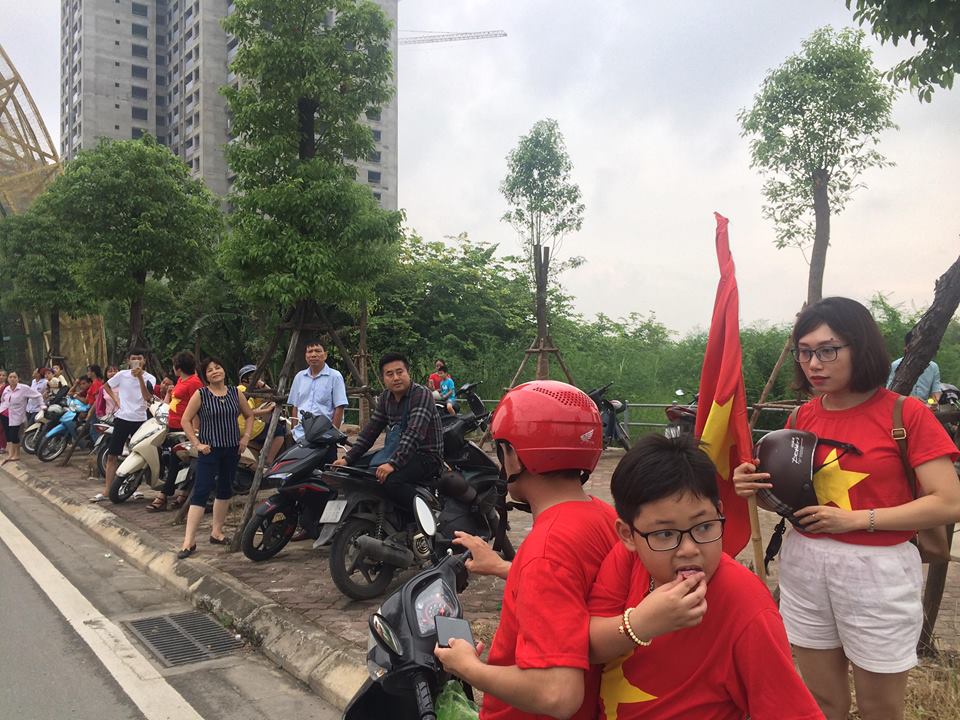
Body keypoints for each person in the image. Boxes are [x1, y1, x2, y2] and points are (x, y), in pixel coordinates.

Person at [734, 297, 960, 720]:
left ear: (860, 347)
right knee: (821, 703)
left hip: (878, 572)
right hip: (805, 565)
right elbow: (787, 497)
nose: (814, 363)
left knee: (880, 708)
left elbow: (950, 502)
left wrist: (859, 520)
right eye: (805, 352)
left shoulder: (904, 413)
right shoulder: (801, 416)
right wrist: (753, 487)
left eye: (828, 350)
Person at [587, 433, 823, 720]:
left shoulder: (747, 607)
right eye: (665, 534)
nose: (689, 549)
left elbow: (791, 711)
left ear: (720, 513)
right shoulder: (628, 561)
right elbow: (587, 648)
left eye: (704, 527)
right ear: (628, 535)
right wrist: (640, 624)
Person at [434, 380, 619, 720]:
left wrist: (468, 667)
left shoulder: (546, 549)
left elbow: (557, 694)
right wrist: (504, 567)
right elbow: (572, 590)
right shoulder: (603, 516)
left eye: (500, 449)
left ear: (514, 455)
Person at [332, 353, 442, 513]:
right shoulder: (385, 398)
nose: (396, 377)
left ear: (408, 373)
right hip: (398, 452)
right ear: (383, 378)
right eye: (389, 374)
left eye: (400, 372)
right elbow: (371, 431)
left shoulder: (421, 394)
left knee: (391, 481)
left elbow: (414, 434)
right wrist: (348, 458)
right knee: (351, 472)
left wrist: (393, 464)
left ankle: (427, 515)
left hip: (426, 456)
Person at [176, 357, 253, 559]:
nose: (215, 371)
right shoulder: (201, 394)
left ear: (224, 370)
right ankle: (188, 541)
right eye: (210, 370)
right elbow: (185, 419)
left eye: (218, 367)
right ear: (205, 376)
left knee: (225, 489)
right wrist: (196, 443)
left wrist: (245, 437)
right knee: (201, 491)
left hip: (232, 449)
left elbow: (249, 415)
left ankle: (217, 532)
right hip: (209, 450)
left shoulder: (236, 393)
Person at [95, 348, 157, 503]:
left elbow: (148, 398)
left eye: (139, 358)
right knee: (112, 455)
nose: (136, 361)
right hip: (122, 418)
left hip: (141, 420)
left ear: (144, 361)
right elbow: (106, 386)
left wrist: (140, 378)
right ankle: (107, 489)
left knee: (137, 455)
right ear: (129, 361)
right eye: (133, 358)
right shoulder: (121, 375)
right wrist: (116, 400)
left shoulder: (150, 378)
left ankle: (133, 489)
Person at [147, 351, 203, 512]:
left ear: (178, 368)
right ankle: (181, 493)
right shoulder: (181, 380)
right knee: (175, 462)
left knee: (176, 461)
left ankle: (164, 495)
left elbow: (197, 408)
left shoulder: (194, 383)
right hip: (172, 427)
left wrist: (194, 431)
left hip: (184, 429)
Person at [287, 341, 348, 464]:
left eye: (318, 351)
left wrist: (333, 433)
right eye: (310, 351)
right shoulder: (299, 377)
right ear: (306, 356)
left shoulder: (335, 376)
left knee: (324, 474)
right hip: (300, 436)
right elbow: (295, 405)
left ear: (325, 355)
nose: (313, 354)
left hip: (324, 438)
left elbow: (339, 406)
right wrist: (294, 429)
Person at [238, 364, 286, 466]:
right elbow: (249, 411)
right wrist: (267, 410)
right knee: (278, 431)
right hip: (245, 426)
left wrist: (262, 384)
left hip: (246, 426)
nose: (256, 380)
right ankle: (268, 461)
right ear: (245, 380)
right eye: (253, 378)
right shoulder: (242, 390)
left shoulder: (251, 392)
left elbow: (271, 397)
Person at [0, 371, 45, 465]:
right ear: (8, 379)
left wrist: (42, 406)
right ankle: (10, 454)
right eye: (10, 377)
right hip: (4, 413)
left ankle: (17, 454)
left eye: (14, 377)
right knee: (8, 435)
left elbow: (38, 395)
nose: (12, 379)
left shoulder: (24, 388)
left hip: (17, 415)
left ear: (18, 378)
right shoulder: (7, 388)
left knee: (14, 435)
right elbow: (3, 399)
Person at [887, 330, 942, 402]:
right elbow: (890, 391)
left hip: (924, 407)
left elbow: (936, 390)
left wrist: (935, 401)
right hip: (902, 406)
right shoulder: (896, 365)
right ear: (907, 348)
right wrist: (911, 399)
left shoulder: (933, 367)